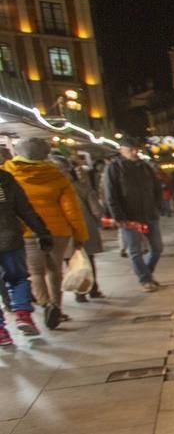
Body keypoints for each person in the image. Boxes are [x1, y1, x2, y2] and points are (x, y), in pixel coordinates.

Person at [5, 139, 88, 328]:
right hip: (57, 231)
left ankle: (45, 305)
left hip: (26, 231)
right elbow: (72, 210)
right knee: (54, 270)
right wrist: (80, 235)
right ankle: (56, 307)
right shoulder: (57, 176)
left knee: (35, 272)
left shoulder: (9, 174)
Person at [0, 161, 51, 344]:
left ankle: (1, 332)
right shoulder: (5, 179)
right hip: (10, 238)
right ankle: (22, 314)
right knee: (18, 278)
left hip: (10, 238)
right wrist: (42, 231)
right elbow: (24, 209)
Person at [104, 144, 164, 292]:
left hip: (149, 214)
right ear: (121, 151)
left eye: (136, 149)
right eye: (130, 149)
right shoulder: (114, 168)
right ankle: (145, 280)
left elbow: (156, 188)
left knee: (157, 248)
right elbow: (111, 194)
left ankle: (147, 273)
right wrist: (118, 216)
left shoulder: (145, 167)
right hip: (129, 217)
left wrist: (157, 206)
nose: (134, 152)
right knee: (135, 250)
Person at [51, 148, 106, 302]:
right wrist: (99, 219)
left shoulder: (51, 188)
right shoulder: (80, 186)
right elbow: (95, 207)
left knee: (71, 261)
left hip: (62, 229)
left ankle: (79, 292)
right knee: (88, 259)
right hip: (84, 226)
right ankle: (93, 289)